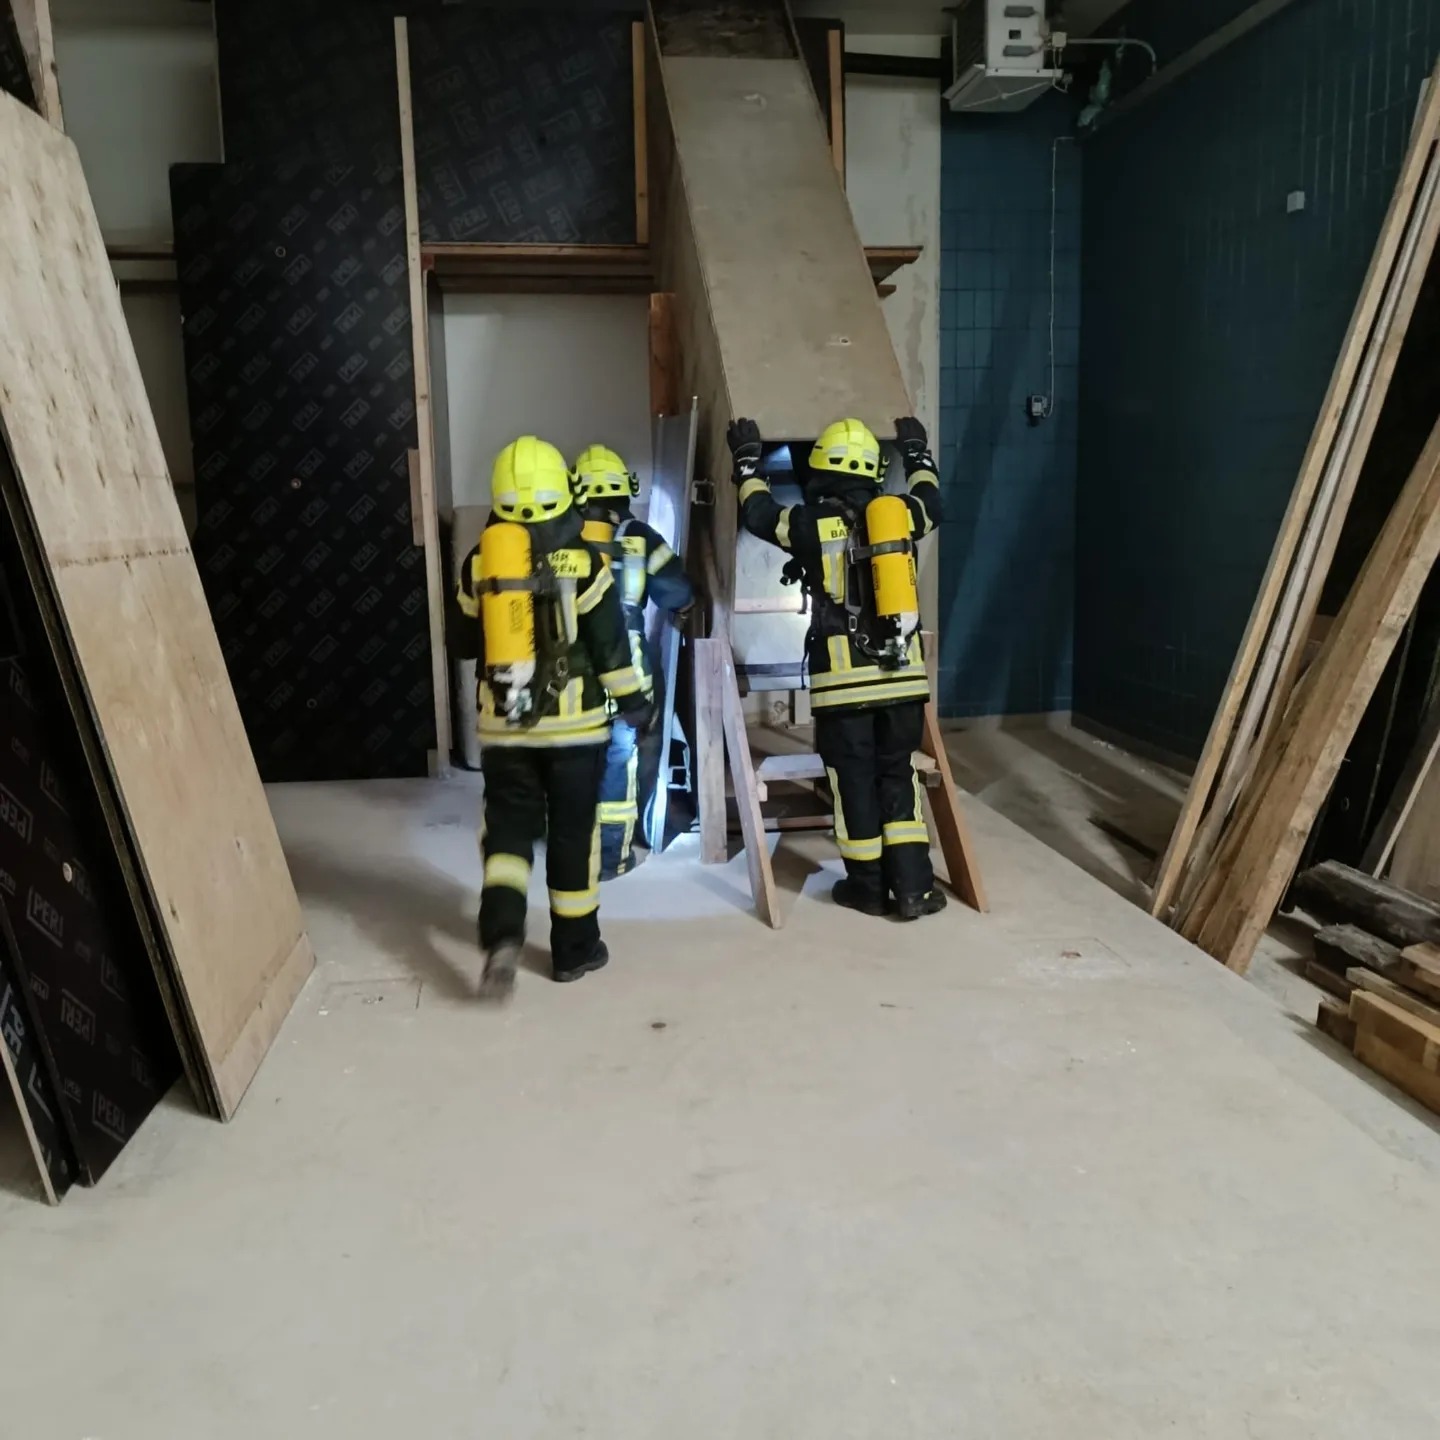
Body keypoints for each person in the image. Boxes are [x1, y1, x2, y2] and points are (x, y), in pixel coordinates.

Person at [453, 436, 654, 998]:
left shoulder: (479, 563)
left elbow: (462, 643)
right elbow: (611, 646)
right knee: (572, 836)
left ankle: (501, 935)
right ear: (565, 494)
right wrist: (635, 704)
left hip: (504, 730)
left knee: (508, 834)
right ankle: (574, 950)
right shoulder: (587, 561)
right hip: (577, 732)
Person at [728, 414, 946, 920]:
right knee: (898, 776)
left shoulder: (809, 523)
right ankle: (913, 888)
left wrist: (746, 463)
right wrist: (918, 453)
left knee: (853, 784)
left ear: (822, 469)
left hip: (843, 689)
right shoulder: (901, 515)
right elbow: (933, 502)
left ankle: (867, 889)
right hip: (902, 681)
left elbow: (759, 515)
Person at [572, 443, 696, 879]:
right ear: (626, 489)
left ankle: (571, 848)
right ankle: (613, 856)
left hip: (572, 672)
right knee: (621, 761)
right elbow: (678, 593)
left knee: (573, 758)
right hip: (629, 668)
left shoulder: (563, 536)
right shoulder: (640, 536)